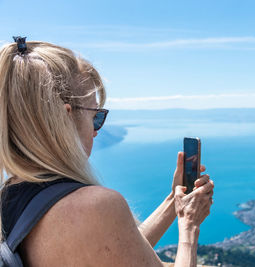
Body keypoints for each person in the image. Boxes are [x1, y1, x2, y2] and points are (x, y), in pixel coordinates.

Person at [0, 37, 214, 266]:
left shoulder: (11, 198)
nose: (96, 131)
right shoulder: (93, 206)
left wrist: (173, 202)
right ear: (64, 118)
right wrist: (189, 227)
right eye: (96, 117)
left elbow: (115, 250)